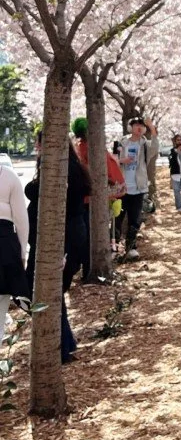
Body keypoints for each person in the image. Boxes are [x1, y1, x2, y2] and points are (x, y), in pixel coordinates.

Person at [25, 133, 91, 363]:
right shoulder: (67, 167)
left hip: (60, 241)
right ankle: (64, 343)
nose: (37, 147)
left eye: (40, 143)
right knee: (53, 293)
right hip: (62, 239)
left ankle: (58, 347)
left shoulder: (62, 171)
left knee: (46, 292)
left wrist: (61, 251)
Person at [71, 117, 126, 280]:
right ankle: (89, 270)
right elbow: (103, 172)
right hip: (93, 198)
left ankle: (85, 268)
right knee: (91, 236)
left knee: (87, 235)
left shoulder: (79, 148)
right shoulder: (92, 149)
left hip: (85, 198)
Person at [115, 117, 159, 261]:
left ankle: (131, 248)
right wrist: (123, 161)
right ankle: (114, 246)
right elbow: (112, 160)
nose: (139, 128)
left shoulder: (145, 144)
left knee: (135, 219)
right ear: (130, 127)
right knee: (117, 218)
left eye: (142, 126)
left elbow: (155, 147)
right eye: (136, 125)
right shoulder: (122, 142)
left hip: (138, 188)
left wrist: (151, 127)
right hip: (121, 187)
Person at [0, 164, 29, 344]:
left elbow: (21, 220)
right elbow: (21, 220)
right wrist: (22, 252)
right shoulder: (8, 176)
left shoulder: (9, 176)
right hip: (5, 246)